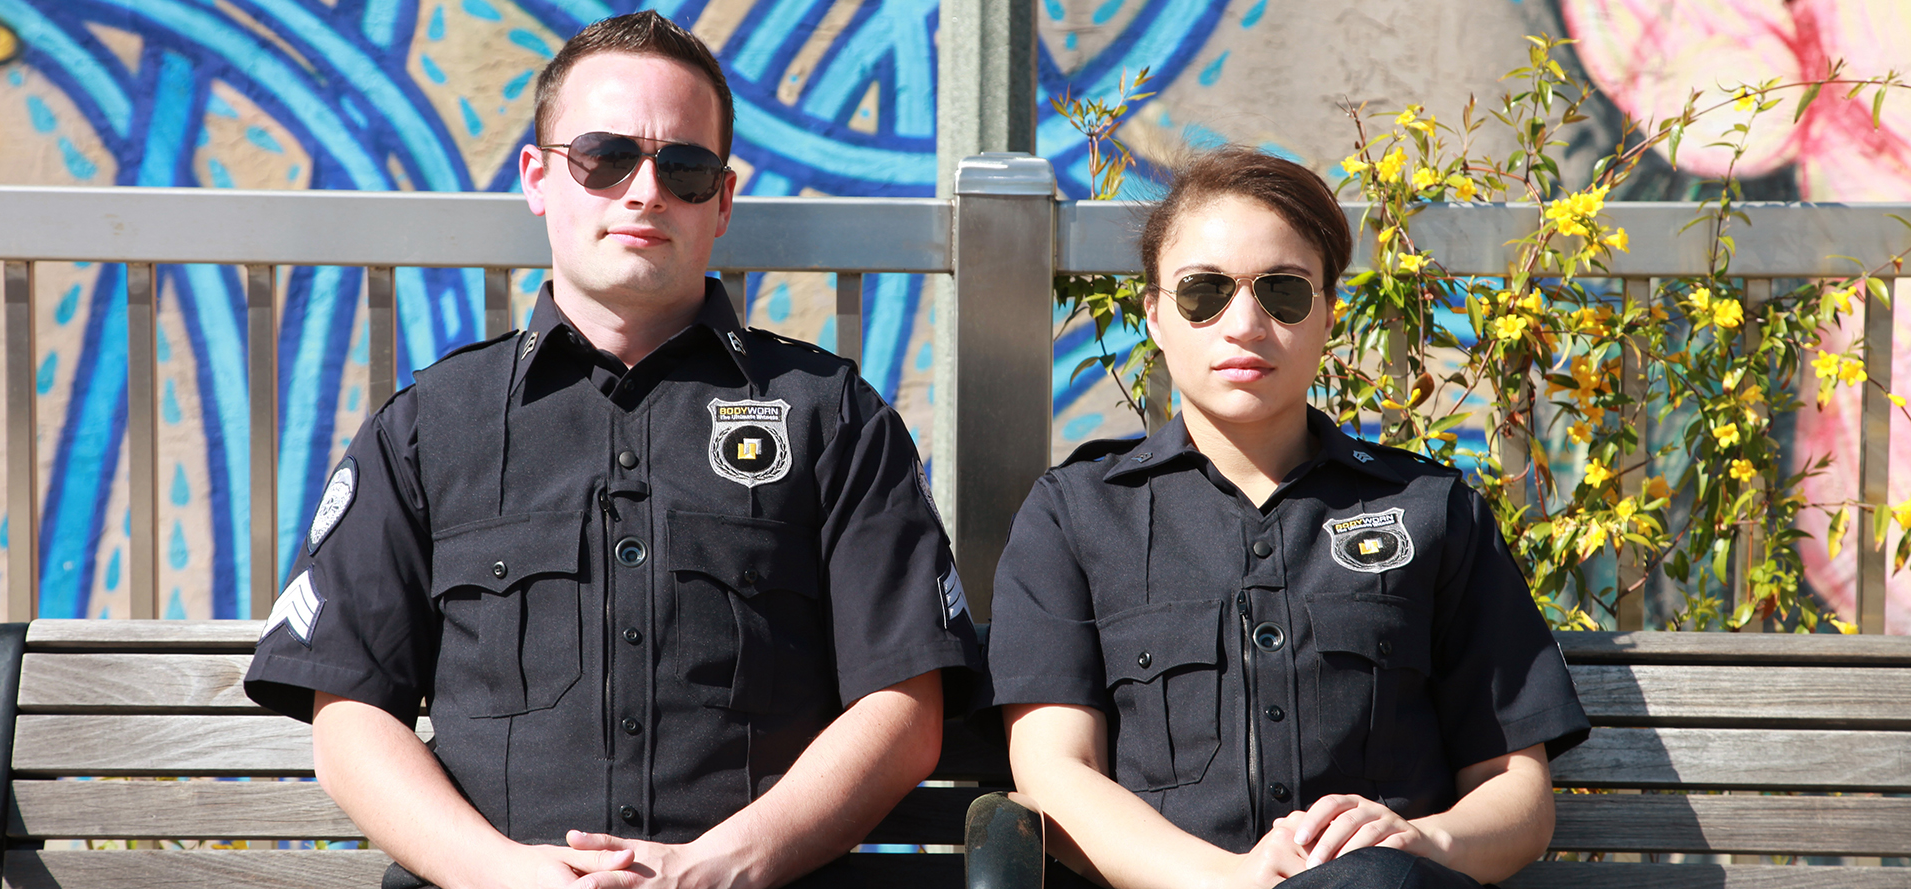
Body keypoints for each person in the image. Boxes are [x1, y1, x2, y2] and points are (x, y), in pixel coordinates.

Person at [243, 12, 980, 889]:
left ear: (723, 200)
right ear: (538, 177)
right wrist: (505, 876)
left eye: (685, 167)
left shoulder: (833, 419)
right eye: (605, 156)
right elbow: (351, 714)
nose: (645, 191)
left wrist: (719, 866)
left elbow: (905, 706)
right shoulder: (430, 427)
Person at [983, 146, 1589, 889]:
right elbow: (1053, 773)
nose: (1245, 322)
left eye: (1284, 292)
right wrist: (1235, 879)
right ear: (1155, 315)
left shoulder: (1432, 511)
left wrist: (1421, 839)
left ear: (1327, 313)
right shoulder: (1076, 515)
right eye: (1204, 292)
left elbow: (1519, 796)